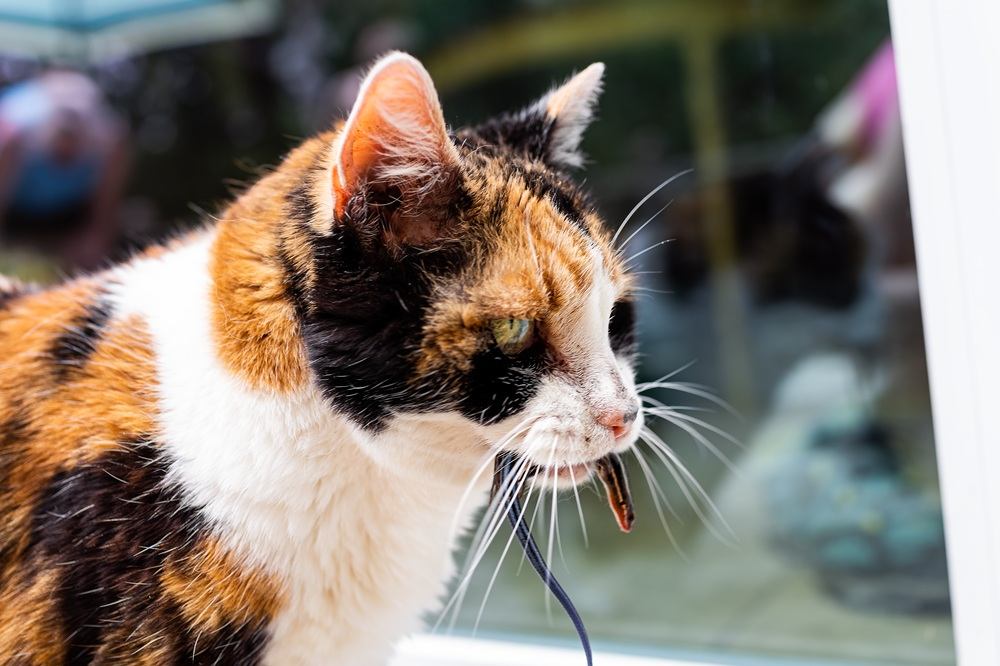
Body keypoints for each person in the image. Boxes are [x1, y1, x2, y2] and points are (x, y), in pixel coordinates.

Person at [0, 70, 128, 271]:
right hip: (15, 205)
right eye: (61, 146)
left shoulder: (111, 142)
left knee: (90, 251)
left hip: (67, 211)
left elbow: (104, 212)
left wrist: (94, 239)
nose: (66, 152)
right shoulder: (15, 136)